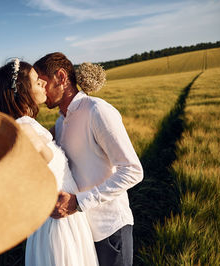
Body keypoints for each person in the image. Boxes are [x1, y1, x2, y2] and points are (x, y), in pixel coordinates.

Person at [33, 52, 144, 266]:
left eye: (42, 83)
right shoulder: (59, 123)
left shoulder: (97, 110)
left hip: (110, 229)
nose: (40, 90)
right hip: (80, 233)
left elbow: (133, 170)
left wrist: (78, 202)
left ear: (61, 77)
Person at [0, 59, 99, 266]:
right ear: (21, 91)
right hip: (58, 224)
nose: (43, 83)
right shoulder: (23, 128)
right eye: (36, 81)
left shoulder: (31, 126)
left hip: (68, 218)